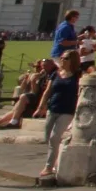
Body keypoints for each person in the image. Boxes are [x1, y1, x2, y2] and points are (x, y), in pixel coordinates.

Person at [33, 52, 82, 183]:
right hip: (53, 108)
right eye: (61, 58)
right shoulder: (56, 74)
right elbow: (48, 91)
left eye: (65, 58)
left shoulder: (77, 75)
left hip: (67, 110)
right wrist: (41, 106)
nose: (62, 60)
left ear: (72, 60)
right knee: (48, 137)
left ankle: (48, 167)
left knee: (54, 137)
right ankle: (57, 159)